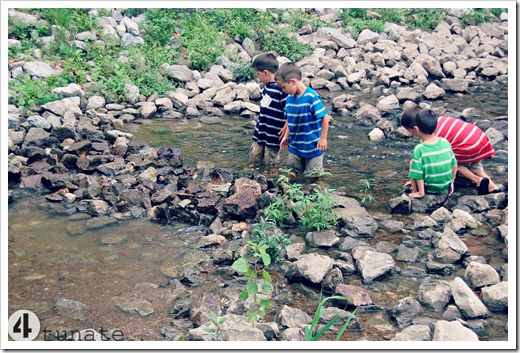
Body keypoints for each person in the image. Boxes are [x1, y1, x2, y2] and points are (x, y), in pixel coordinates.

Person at [401, 106, 502, 195]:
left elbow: (435, 160)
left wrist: (418, 179)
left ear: (416, 128)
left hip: (468, 145)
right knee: (474, 164)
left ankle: (477, 180)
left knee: (450, 160)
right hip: (480, 138)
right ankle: (492, 186)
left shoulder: (432, 135)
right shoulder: (436, 121)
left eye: (410, 131)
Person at [276, 62, 333, 182]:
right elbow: (290, 120)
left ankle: (317, 196)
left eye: (284, 87)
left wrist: (323, 138)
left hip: (313, 147)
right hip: (296, 145)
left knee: (314, 176)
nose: (283, 91)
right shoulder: (289, 99)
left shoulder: (311, 97)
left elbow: (324, 117)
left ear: (293, 81)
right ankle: (292, 196)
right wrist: (286, 137)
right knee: (292, 172)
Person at [249, 53, 288, 175]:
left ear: (266, 73)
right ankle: (254, 173)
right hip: (261, 131)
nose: (258, 78)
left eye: (258, 75)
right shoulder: (267, 87)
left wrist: (287, 128)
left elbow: (289, 110)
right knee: (255, 155)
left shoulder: (281, 89)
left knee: (271, 159)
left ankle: (272, 179)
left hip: (273, 133)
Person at [405, 109, 458, 199]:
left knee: (412, 163)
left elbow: (418, 173)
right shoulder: (445, 142)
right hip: (445, 187)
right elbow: (454, 164)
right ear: (436, 127)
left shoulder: (420, 149)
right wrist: (451, 183)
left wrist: (421, 193)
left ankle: (415, 192)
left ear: (416, 129)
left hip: (430, 189)